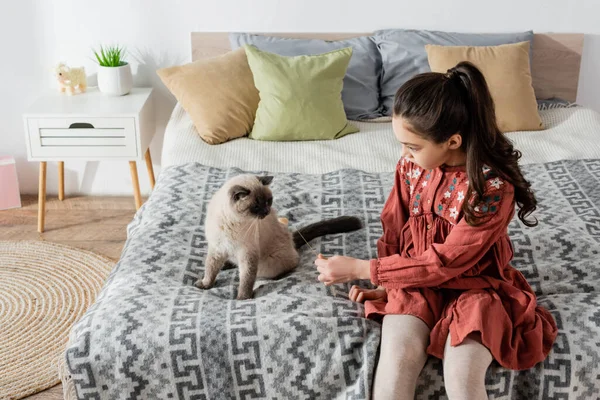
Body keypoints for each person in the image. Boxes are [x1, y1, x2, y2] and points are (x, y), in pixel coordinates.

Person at [314, 61, 558, 400]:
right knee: (396, 362)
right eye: (401, 144)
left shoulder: (491, 188)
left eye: (413, 147)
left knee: (462, 378)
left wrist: (363, 269)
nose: (404, 155)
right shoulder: (409, 168)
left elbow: (445, 262)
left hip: (477, 290)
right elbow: (394, 230)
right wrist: (388, 282)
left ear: (452, 141)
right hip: (414, 283)